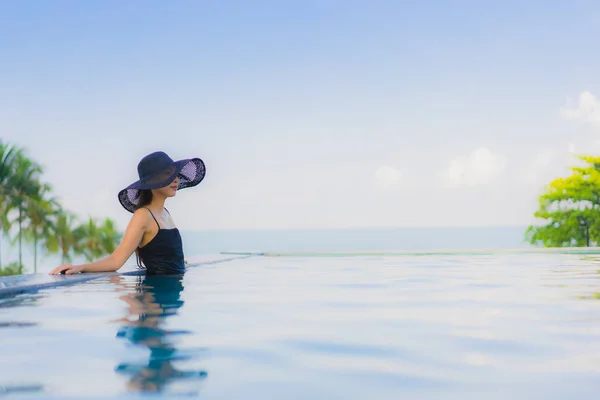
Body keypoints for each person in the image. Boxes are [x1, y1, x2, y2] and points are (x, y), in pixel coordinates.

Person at [50, 151, 206, 276]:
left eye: (175, 174)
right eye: (168, 175)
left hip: (172, 299)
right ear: (151, 182)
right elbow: (116, 260)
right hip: (156, 303)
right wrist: (80, 267)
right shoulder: (143, 216)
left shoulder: (165, 213)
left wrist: (178, 261)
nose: (176, 180)